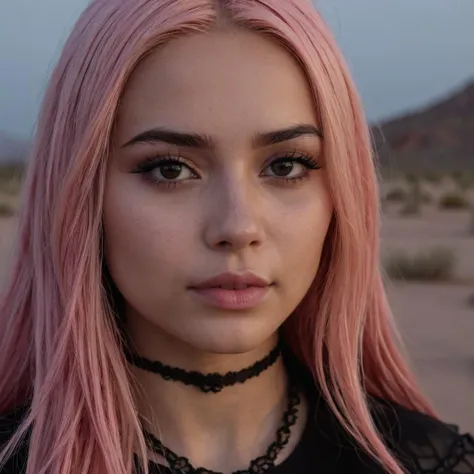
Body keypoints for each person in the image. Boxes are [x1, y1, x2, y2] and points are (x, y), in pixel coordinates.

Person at [0, 0, 473, 473]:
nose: (238, 227)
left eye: (286, 166)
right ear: (81, 194)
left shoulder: (427, 462)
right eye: (170, 169)